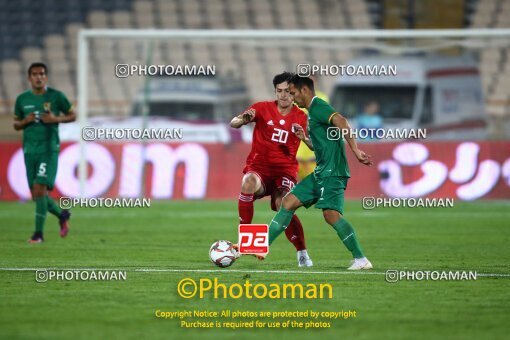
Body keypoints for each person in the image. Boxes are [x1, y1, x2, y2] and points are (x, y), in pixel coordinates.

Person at [265, 74, 373, 270]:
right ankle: (262, 247)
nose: (291, 97)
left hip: (332, 171)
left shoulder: (318, 106)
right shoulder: (312, 112)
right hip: (321, 171)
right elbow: (321, 145)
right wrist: (305, 139)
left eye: (293, 93)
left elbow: (341, 121)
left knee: (331, 215)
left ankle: (361, 259)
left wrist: (356, 151)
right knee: (288, 202)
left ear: (304, 91)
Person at [230, 72, 314, 267]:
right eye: (279, 91)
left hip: (284, 172)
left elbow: (313, 146)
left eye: (287, 91)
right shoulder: (261, 108)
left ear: (293, 93)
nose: (283, 95)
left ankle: (302, 252)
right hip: (259, 168)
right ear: (275, 91)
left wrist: (303, 137)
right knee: (248, 181)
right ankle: (245, 241)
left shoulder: (301, 116)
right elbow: (233, 123)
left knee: (283, 204)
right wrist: (243, 119)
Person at [13, 62, 76, 243]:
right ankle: (62, 215)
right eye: (34, 74)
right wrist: (26, 121)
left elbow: (73, 115)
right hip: (30, 150)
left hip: (48, 149)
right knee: (36, 195)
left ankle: (38, 235)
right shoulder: (22, 100)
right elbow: (16, 124)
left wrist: (55, 118)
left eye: (41, 74)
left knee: (40, 188)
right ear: (29, 77)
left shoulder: (56, 97)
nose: (38, 77)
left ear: (46, 77)